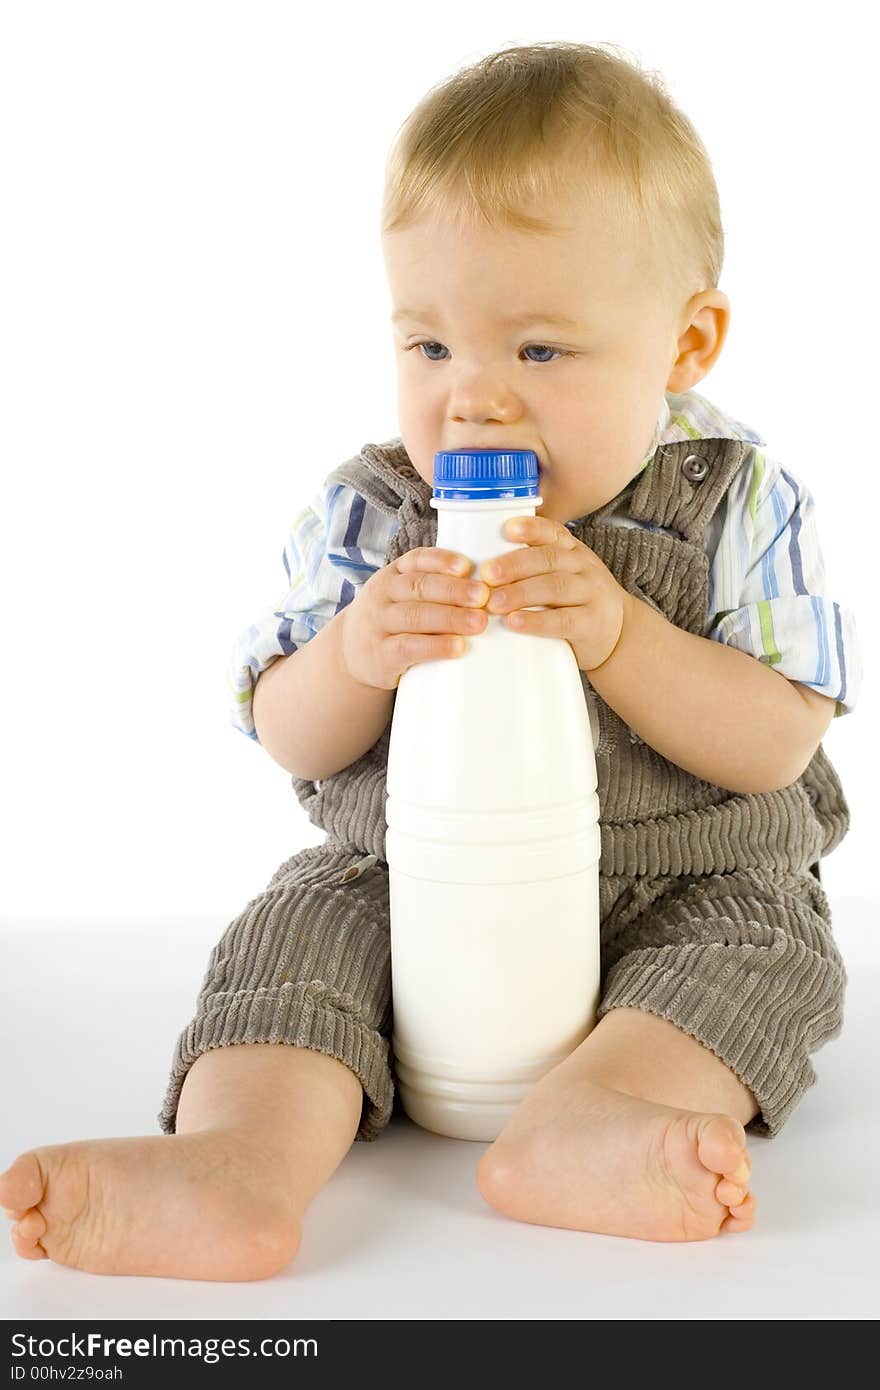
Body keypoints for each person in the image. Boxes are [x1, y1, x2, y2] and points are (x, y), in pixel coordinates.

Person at [1, 40, 862, 1281]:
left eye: (540, 352)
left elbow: (777, 739)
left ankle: (592, 1117)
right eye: (430, 347)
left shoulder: (737, 503)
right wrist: (356, 652)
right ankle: (238, 1159)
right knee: (299, 931)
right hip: (414, 890)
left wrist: (621, 632)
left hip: (683, 885)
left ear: (686, 345)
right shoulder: (369, 515)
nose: (475, 401)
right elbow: (291, 735)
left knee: (760, 957)